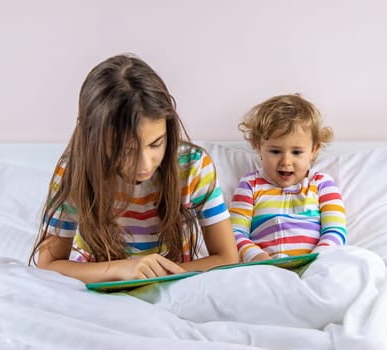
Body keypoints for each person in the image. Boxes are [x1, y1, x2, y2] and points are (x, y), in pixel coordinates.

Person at [29, 53, 238, 283]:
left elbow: (227, 257)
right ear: (94, 140)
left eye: (156, 144)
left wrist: (159, 277)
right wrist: (123, 270)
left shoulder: (193, 167)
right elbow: (47, 265)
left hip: (176, 288)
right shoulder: (74, 172)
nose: (145, 165)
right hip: (100, 290)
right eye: (126, 150)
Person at [229, 94, 347, 262]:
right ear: (258, 146)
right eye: (275, 151)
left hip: (314, 265)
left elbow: (335, 231)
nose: (286, 161)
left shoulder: (321, 184)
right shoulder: (250, 185)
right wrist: (256, 257)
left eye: (297, 152)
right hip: (264, 268)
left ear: (314, 150)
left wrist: (316, 259)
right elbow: (234, 233)